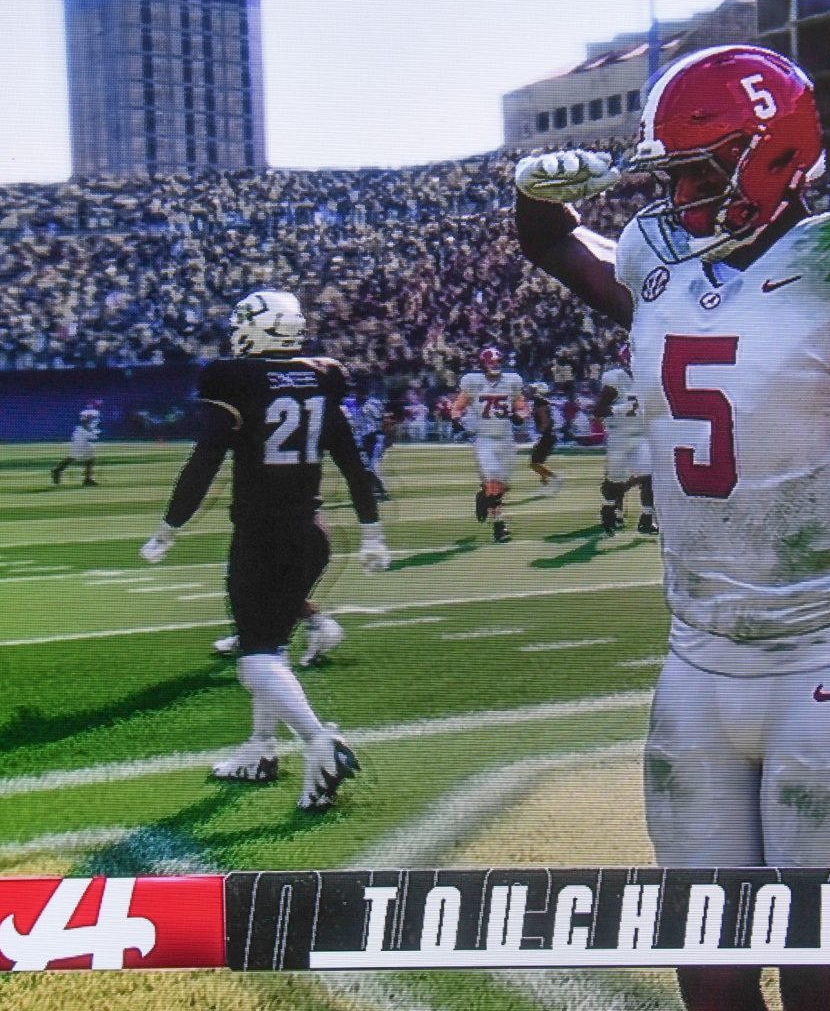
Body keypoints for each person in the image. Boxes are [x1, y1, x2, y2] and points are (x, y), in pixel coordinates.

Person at [512, 45, 830, 1011]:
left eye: (700, 169)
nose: (678, 193)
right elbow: (558, 249)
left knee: (819, 983)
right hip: (698, 664)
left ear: (772, 153)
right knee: (709, 978)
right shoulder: (663, 264)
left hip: (828, 661)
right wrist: (538, 198)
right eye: (671, 171)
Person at [138, 291, 392, 812]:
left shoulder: (232, 379)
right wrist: (372, 532)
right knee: (271, 647)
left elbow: (205, 461)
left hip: (261, 536)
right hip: (311, 536)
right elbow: (351, 461)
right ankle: (260, 750)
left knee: (256, 660)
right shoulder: (322, 376)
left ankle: (320, 743)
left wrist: (169, 527)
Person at [448, 346, 525, 542]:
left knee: (502, 487)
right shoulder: (473, 382)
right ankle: (499, 526)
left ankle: (483, 497)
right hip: (485, 439)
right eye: (491, 362)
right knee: (493, 482)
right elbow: (458, 405)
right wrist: (456, 418)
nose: (495, 365)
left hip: (506, 440)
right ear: (483, 364)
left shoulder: (512, 381)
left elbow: (521, 405)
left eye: (498, 361)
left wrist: (521, 415)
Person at [595, 344, 656, 536]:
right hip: (619, 436)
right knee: (616, 480)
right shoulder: (616, 379)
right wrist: (620, 409)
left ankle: (647, 518)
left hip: (642, 435)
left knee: (649, 476)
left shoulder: (650, 379)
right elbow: (597, 411)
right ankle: (609, 509)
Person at [526, 381, 565, 498]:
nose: (530, 391)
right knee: (539, 462)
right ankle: (546, 487)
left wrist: (540, 434)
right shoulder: (543, 403)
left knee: (535, 463)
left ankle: (555, 478)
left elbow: (544, 422)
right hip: (548, 435)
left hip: (547, 436)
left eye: (533, 390)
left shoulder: (541, 404)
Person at [52, 407, 102, 485]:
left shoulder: (93, 412)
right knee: (74, 456)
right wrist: (92, 432)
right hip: (81, 436)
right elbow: (85, 424)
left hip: (82, 436)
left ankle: (88, 478)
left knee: (89, 458)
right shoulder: (88, 413)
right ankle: (58, 470)